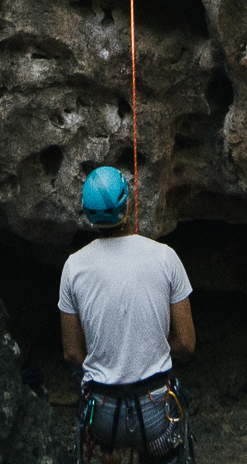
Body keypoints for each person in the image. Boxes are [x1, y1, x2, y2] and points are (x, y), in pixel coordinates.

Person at [59, 167, 197, 463]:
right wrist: (150, 350)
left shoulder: (73, 266)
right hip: (154, 414)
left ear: (87, 213)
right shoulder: (165, 257)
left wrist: (107, 362)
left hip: (103, 416)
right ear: (129, 205)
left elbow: (72, 353)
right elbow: (186, 343)